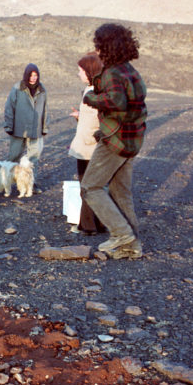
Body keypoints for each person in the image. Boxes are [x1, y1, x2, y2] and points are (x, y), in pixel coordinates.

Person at [81, 23, 147, 258]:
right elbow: (131, 106)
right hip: (131, 139)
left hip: (116, 141)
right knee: (121, 192)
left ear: (106, 45)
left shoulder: (113, 73)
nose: (96, 49)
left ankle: (121, 234)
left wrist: (92, 98)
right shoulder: (130, 70)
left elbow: (116, 101)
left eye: (98, 44)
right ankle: (132, 245)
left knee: (91, 187)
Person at [69, 53, 106, 235]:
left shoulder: (97, 93)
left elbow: (103, 121)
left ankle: (89, 226)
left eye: (81, 70)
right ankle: (96, 224)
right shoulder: (89, 91)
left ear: (90, 72)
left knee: (88, 186)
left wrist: (95, 139)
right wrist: (80, 116)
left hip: (91, 147)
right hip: (85, 146)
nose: (79, 74)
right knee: (90, 185)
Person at [3, 63, 49, 168]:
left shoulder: (42, 90)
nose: (33, 78)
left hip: (35, 130)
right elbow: (9, 107)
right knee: (14, 156)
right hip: (19, 129)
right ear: (26, 75)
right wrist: (8, 126)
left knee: (33, 158)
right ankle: (7, 180)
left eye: (35, 75)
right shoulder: (17, 88)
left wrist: (45, 127)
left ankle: (30, 182)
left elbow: (45, 109)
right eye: (31, 75)